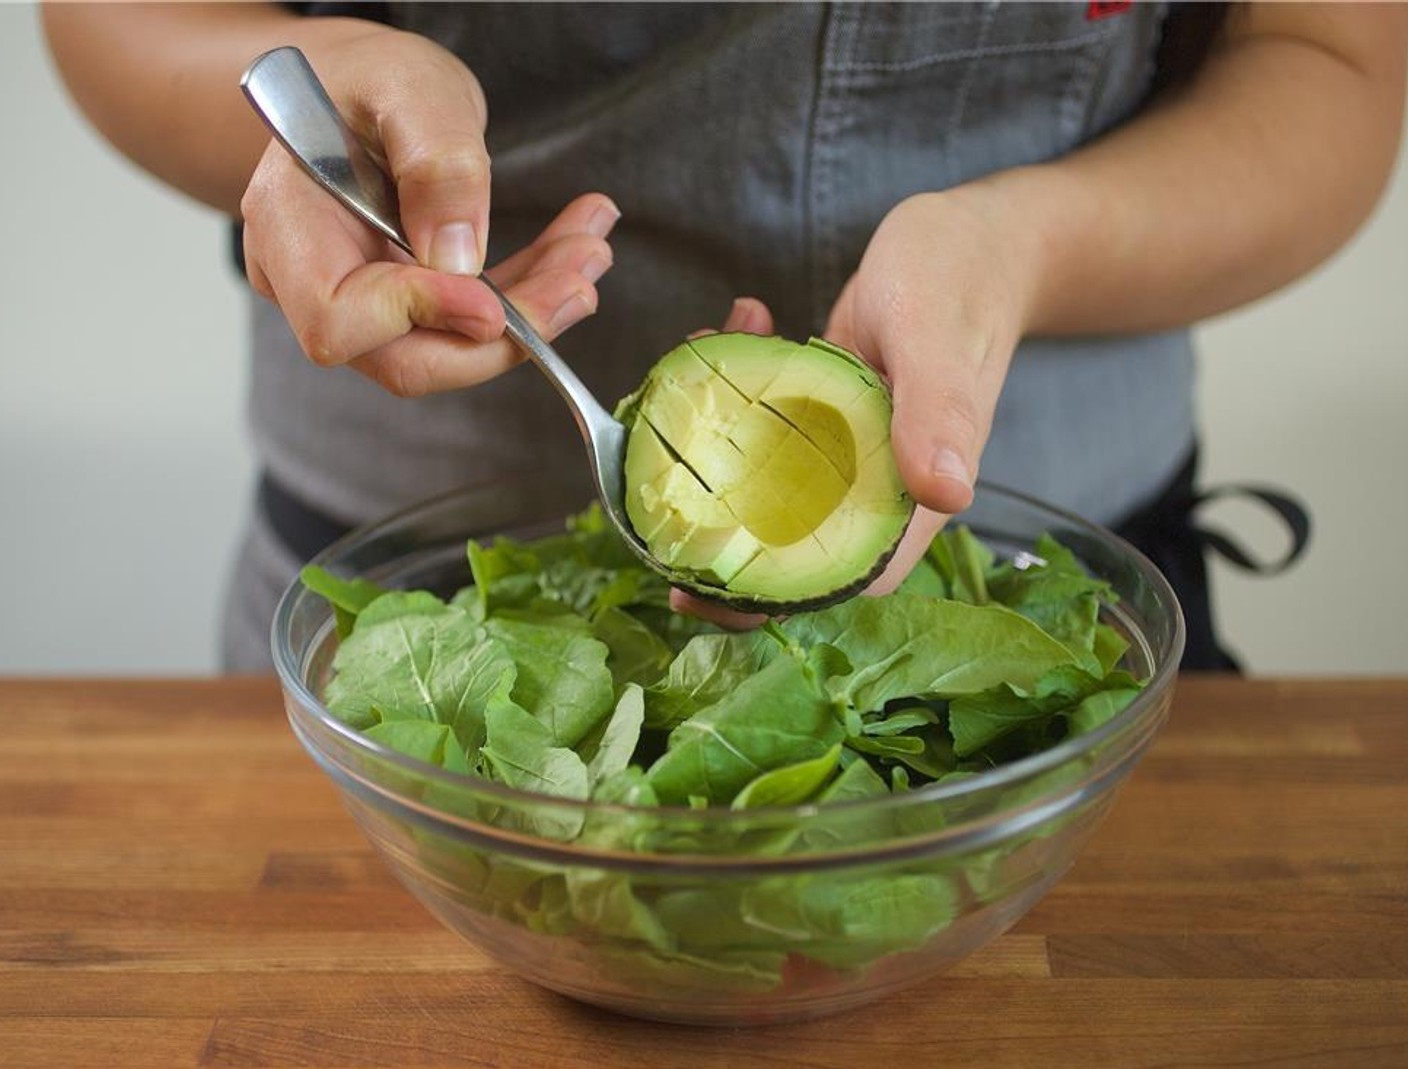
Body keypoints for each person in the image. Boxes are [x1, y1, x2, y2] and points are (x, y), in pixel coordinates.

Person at [43, 2, 1407, 671]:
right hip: (420, 590)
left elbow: (1330, 64)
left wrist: (1025, 245)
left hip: (1050, 599)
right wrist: (316, 102)